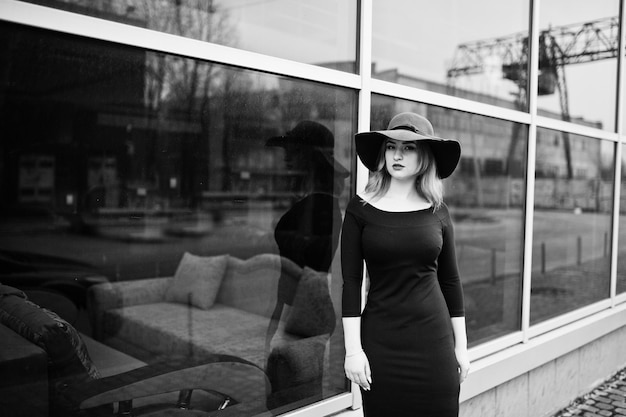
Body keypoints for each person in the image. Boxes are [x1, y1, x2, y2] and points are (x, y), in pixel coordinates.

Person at [341, 112, 470, 416]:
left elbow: (451, 280)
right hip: (381, 343)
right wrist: (353, 350)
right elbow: (351, 283)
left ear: (424, 157)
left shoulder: (437, 211)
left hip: (433, 343)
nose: (397, 155)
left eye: (409, 148)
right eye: (390, 146)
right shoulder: (360, 209)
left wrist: (461, 348)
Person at [264, 121, 348, 407]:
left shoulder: (321, 207)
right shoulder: (314, 204)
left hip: (303, 318)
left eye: (293, 151)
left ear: (310, 157)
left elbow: (317, 264)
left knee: (293, 399)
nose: (286, 156)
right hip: (289, 315)